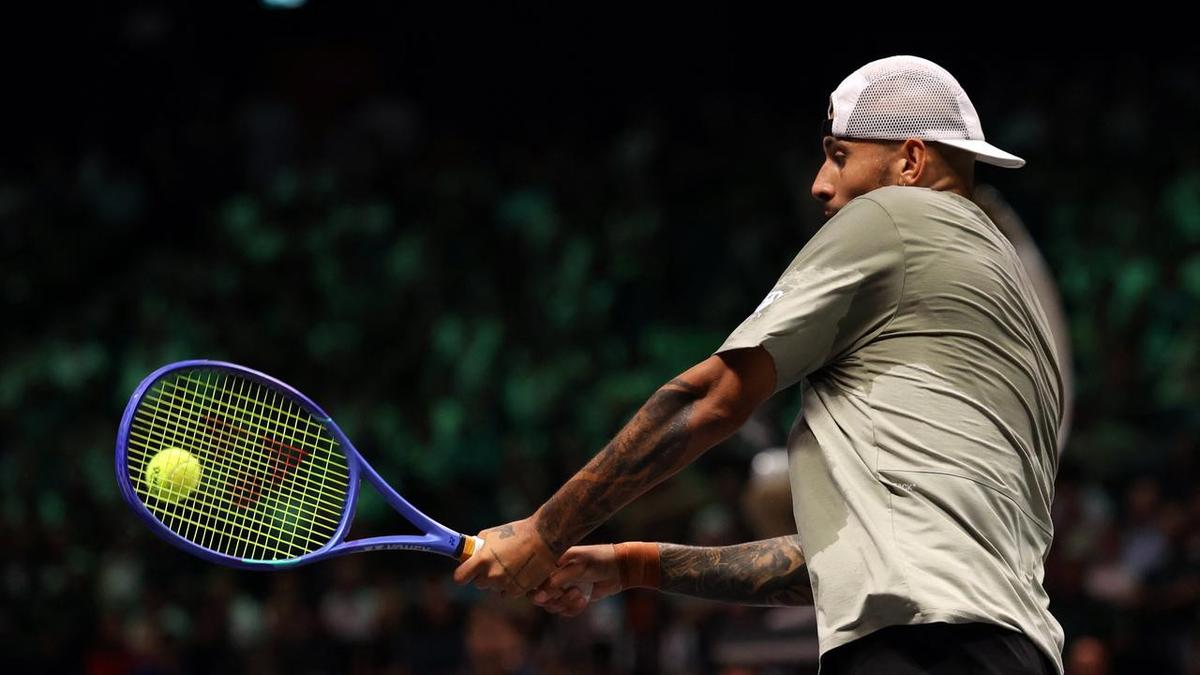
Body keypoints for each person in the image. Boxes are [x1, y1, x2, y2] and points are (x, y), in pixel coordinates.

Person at [453, 55, 1066, 674]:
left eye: (840, 155)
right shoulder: (1010, 304)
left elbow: (711, 399)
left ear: (910, 162)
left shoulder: (893, 216)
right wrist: (634, 564)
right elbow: (835, 560)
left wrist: (545, 530)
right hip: (1013, 652)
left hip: (922, 651)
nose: (820, 184)